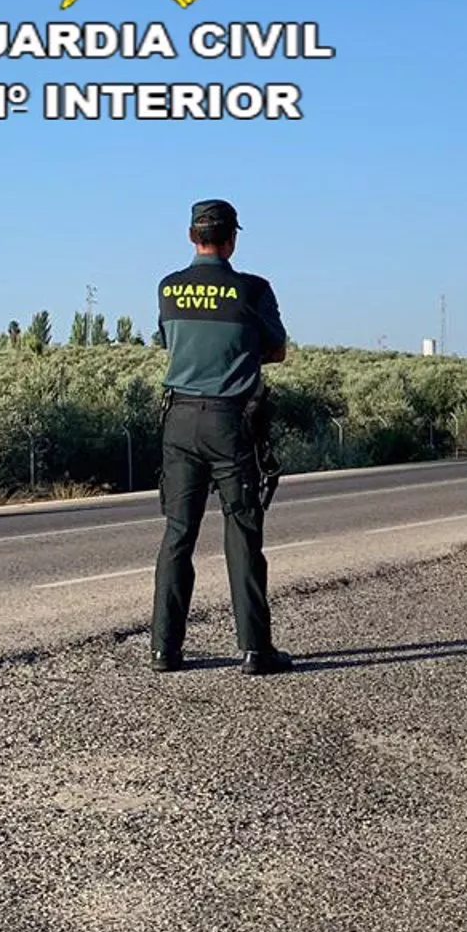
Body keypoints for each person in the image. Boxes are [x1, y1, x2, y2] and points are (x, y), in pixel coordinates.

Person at [150, 198, 293, 675]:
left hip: (179, 422)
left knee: (177, 535)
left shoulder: (168, 289)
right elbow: (277, 349)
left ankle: (164, 650)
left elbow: (169, 342)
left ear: (192, 236)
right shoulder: (252, 290)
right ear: (231, 239)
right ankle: (255, 649)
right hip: (231, 423)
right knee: (243, 533)